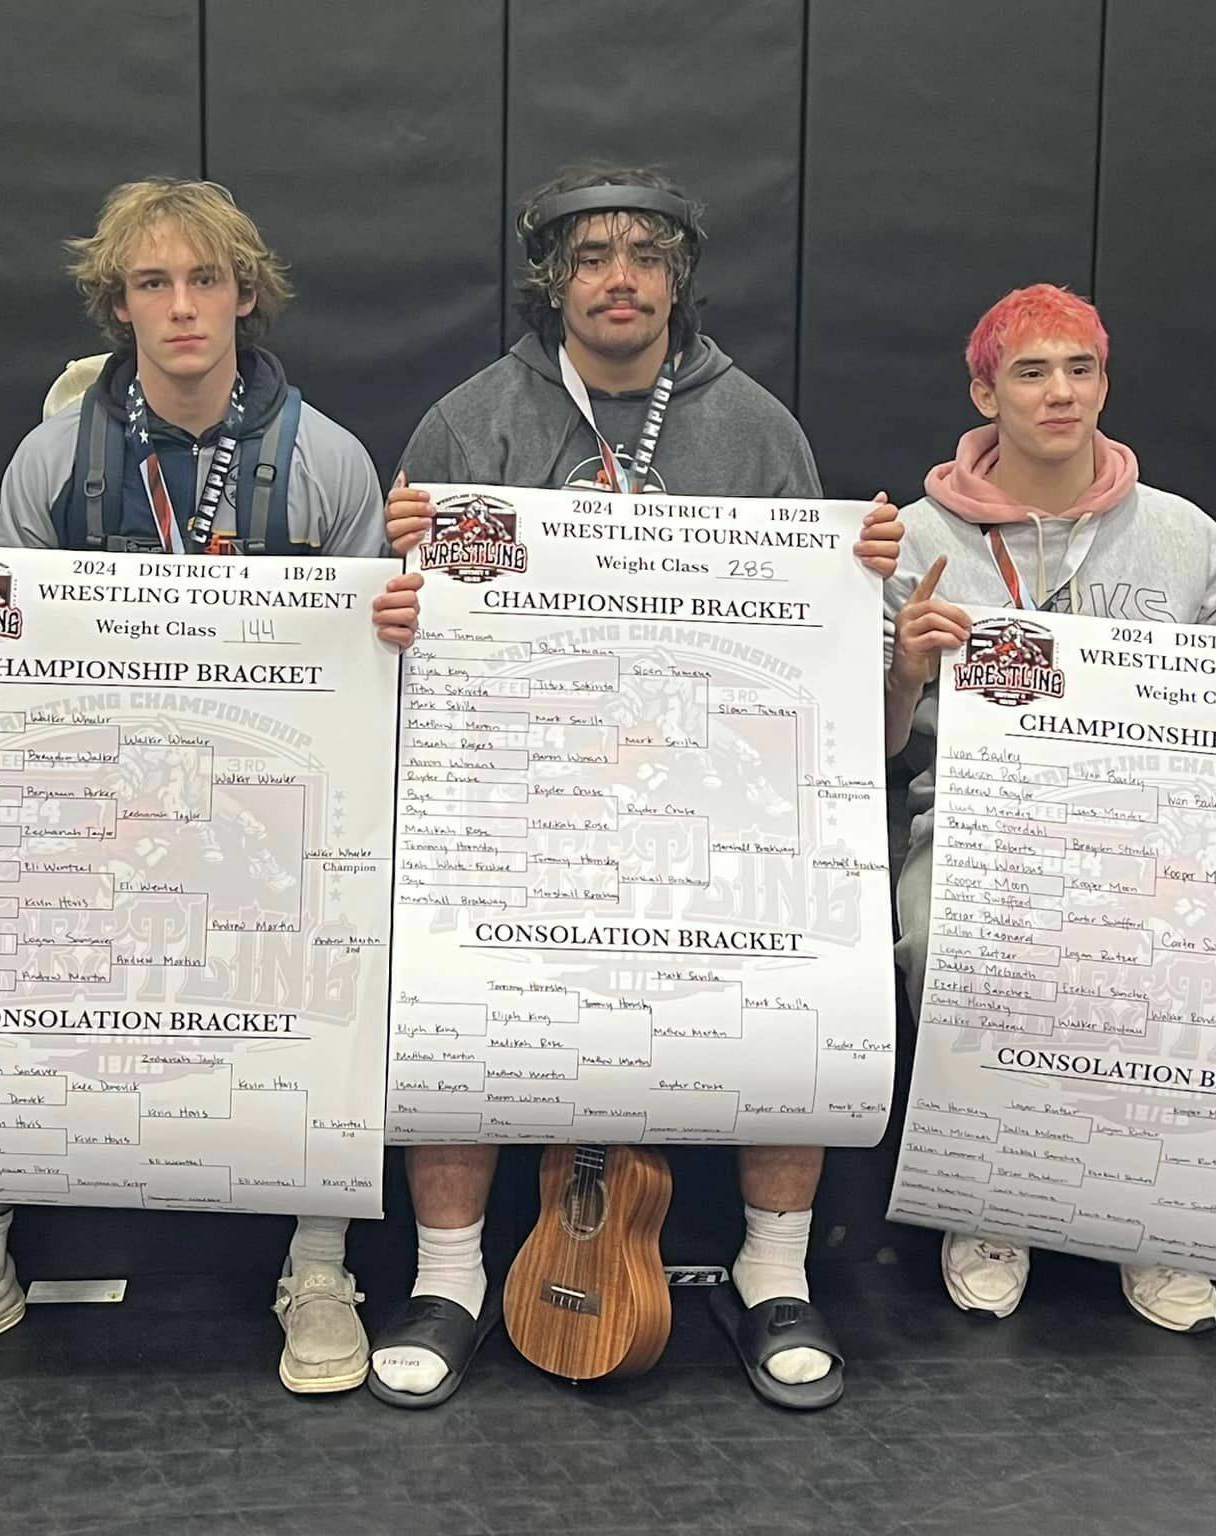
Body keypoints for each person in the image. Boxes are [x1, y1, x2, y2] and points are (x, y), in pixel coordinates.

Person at [0, 177, 420, 1394]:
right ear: (118, 304)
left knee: (342, 934)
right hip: (93, 805)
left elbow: (371, 684)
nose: (181, 308)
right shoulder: (54, 455)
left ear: (244, 295)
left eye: (203, 280)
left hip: (271, 809)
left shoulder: (323, 460)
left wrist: (394, 625)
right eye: (153, 283)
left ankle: (318, 1263)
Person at [378, 164, 903, 1411]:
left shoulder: (757, 429)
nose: (619, 278)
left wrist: (855, 577)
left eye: (644, 255)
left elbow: (816, 652)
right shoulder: (465, 424)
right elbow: (399, 636)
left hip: (710, 797)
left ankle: (776, 1276)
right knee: (435, 952)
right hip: (516, 794)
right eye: (591, 255)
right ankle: (447, 1278)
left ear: (678, 278)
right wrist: (393, 595)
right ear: (550, 279)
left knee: (805, 953)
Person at [884, 283, 1216, 1333]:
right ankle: (994, 1206)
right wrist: (900, 666)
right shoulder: (912, 538)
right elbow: (875, 742)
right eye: (1029, 372)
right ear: (984, 390)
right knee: (939, 937)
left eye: (1078, 368)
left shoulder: (1178, 534)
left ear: (1104, 383)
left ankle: (1147, 1220)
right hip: (978, 834)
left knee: (1204, 949)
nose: (1058, 391)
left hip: (1153, 842)